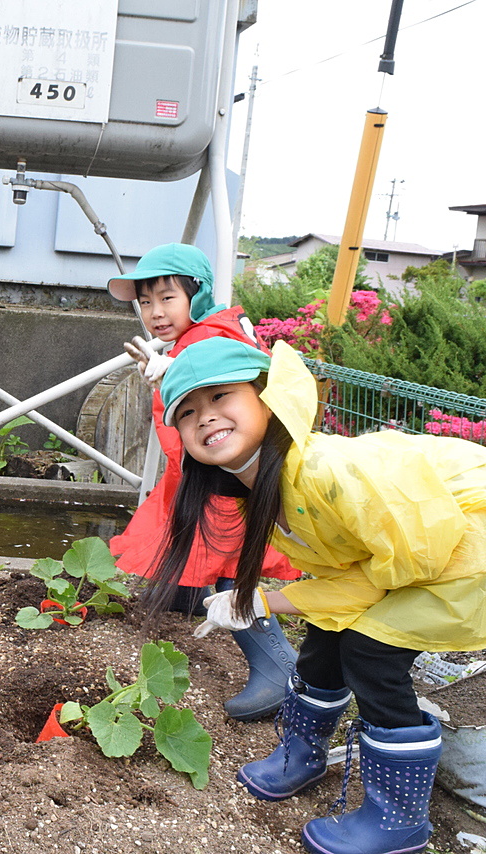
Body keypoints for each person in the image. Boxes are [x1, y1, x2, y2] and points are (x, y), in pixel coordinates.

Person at [153, 336, 486, 854]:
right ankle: (302, 753)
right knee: (329, 630)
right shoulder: (261, 488)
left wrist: (264, 601)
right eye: (188, 411)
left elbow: (392, 573)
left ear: (267, 399)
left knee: (371, 650)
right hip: (417, 542)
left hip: (477, 525)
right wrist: (267, 599)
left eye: (222, 397)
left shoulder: (319, 471)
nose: (206, 416)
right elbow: (356, 574)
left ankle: (399, 820)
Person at [106, 242, 300, 720]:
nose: (155, 312)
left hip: (229, 485)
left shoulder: (211, 338)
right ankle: (191, 596)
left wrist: (179, 374)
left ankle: (279, 668)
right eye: (145, 302)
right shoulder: (208, 332)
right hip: (218, 479)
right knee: (199, 546)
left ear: (198, 293)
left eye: (167, 298)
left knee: (233, 558)